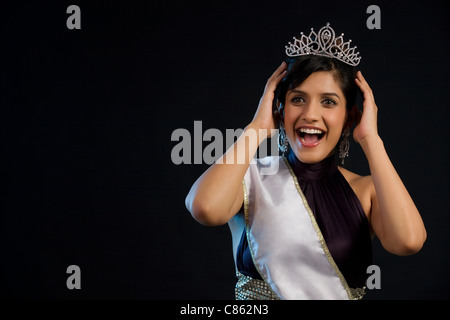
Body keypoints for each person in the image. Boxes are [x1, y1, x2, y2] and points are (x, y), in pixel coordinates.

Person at [185, 23, 427, 300]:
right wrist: (257, 128)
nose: (310, 114)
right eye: (298, 99)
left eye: (328, 102)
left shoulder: (366, 191)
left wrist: (371, 139)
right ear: (280, 109)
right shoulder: (248, 178)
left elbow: (408, 242)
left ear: (349, 117)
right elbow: (205, 208)